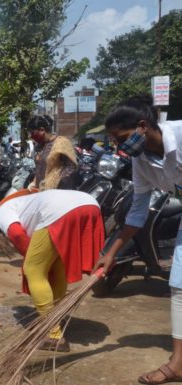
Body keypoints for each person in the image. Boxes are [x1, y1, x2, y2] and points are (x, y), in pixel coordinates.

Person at [93, 95, 182, 385]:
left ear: (143, 126)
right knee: (179, 286)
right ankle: (178, 364)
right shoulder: (140, 162)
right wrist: (112, 252)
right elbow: (137, 212)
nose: (119, 147)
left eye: (121, 139)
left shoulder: (180, 135)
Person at [0, 189, 104, 352]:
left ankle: (53, 335)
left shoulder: (1, 212)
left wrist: (30, 257)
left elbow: (17, 235)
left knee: (33, 270)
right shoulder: (28, 202)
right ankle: (56, 317)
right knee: (58, 267)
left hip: (59, 212)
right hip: (90, 203)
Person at [27, 115, 79, 190]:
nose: (30, 136)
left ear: (42, 130)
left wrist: (54, 182)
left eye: (32, 133)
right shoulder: (39, 146)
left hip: (57, 193)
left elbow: (71, 167)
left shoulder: (61, 143)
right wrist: (34, 182)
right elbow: (40, 168)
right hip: (41, 192)